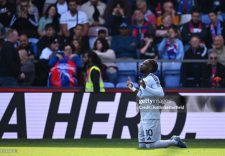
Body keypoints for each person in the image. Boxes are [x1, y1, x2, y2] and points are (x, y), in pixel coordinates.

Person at [127, 59, 187, 149]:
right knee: (142, 145)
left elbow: (161, 93)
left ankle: (174, 141)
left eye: (144, 64)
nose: (141, 65)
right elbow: (141, 94)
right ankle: (174, 140)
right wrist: (132, 88)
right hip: (144, 116)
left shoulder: (153, 77)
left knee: (150, 145)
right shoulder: (144, 79)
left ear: (150, 67)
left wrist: (145, 87)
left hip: (151, 115)